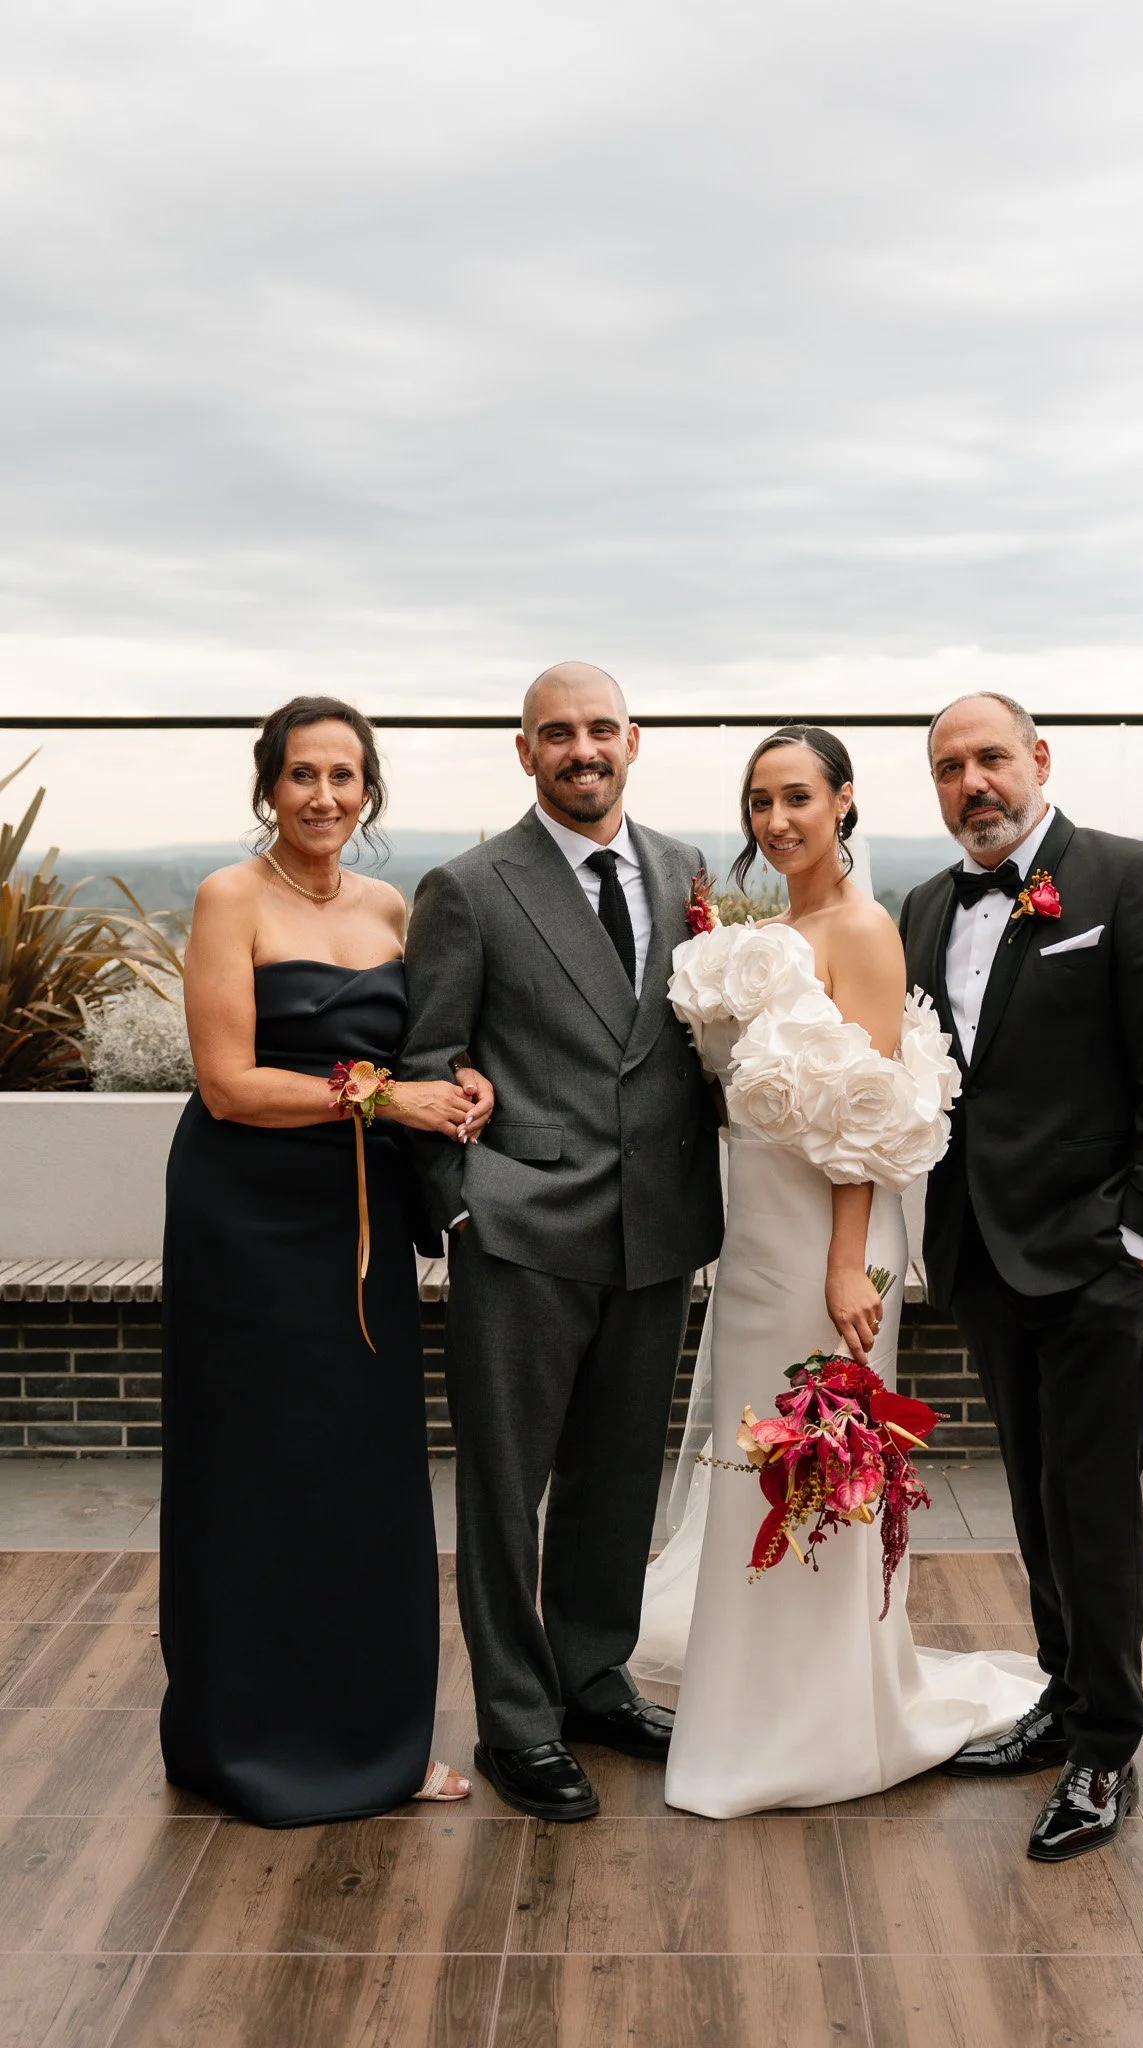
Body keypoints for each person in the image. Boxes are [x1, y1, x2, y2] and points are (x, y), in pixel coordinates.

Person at [635, 724, 1041, 1819]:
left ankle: (821, 1720)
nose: (777, 819)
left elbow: (868, 1112)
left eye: (799, 796)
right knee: (753, 1455)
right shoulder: (775, 926)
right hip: (760, 1228)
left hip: (831, 1236)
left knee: (824, 1462)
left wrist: (847, 1262)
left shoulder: (860, 929)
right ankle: (749, 1699)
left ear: (846, 801)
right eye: (760, 800)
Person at [900, 691, 1143, 1861]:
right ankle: (1059, 1693)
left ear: (1039, 758)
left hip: (1094, 1256)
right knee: (1036, 1492)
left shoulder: (1135, 881)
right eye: (949, 767)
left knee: (1093, 1502)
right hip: (981, 1253)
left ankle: (1106, 1748)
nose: (972, 782)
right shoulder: (926, 903)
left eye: (990, 758)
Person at [160, 695, 493, 1826]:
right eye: (302, 773)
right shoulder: (227, 898)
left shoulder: (391, 904)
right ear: (270, 784)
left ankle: (378, 1742)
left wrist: (460, 1083)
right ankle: (243, 1738)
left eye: (344, 775)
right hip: (246, 1219)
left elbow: (415, 1052)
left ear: (369, 790)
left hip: (361, 1222)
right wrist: (386, 1093)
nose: (323, 795)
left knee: (362, 1468)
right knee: (256, 1470)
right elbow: (228, 1083)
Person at [401, 661, 724, 1822]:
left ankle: (594, 1679)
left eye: (599, 729)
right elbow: (427, 1060)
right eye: (556, 733)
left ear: (632, 739)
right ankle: (517, 1721)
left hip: (657, 1233)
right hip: (522, 1227)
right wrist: (462, 1206)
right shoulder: (470, 885)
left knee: (616, 1480)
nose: (581, 749)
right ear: (524, 750)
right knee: (506, 1488)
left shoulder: (689, 870)